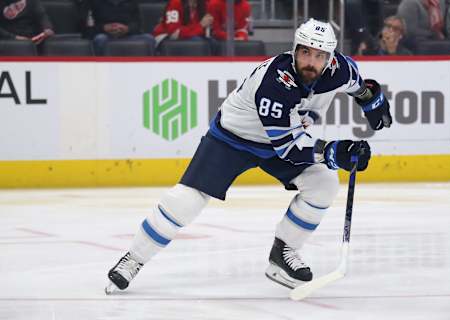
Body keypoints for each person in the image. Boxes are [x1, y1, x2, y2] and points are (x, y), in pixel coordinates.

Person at [104, 18, 393, 294]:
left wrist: (372, 102)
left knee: (324, 184)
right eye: (305, 52)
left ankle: (283, 252)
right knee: (186, 201)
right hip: (233, 139)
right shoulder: (275, 82)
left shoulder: (341, 69)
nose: (310, 61)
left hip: (280, 140)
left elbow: (359, 87)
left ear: (330, 58)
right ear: (294, 50)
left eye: (319, 56)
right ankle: (133, 259)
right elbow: (288, 148)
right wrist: (336, 151)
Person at [85, 0, 155, 56]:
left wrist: (127, 29)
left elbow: (138, 24)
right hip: (105, 35)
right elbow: (88, 28)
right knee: (100, 39)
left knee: (149, 39)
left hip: (128, 34)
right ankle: (101, 68)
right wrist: (104, 28)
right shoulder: (94, 2)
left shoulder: (132, 2)